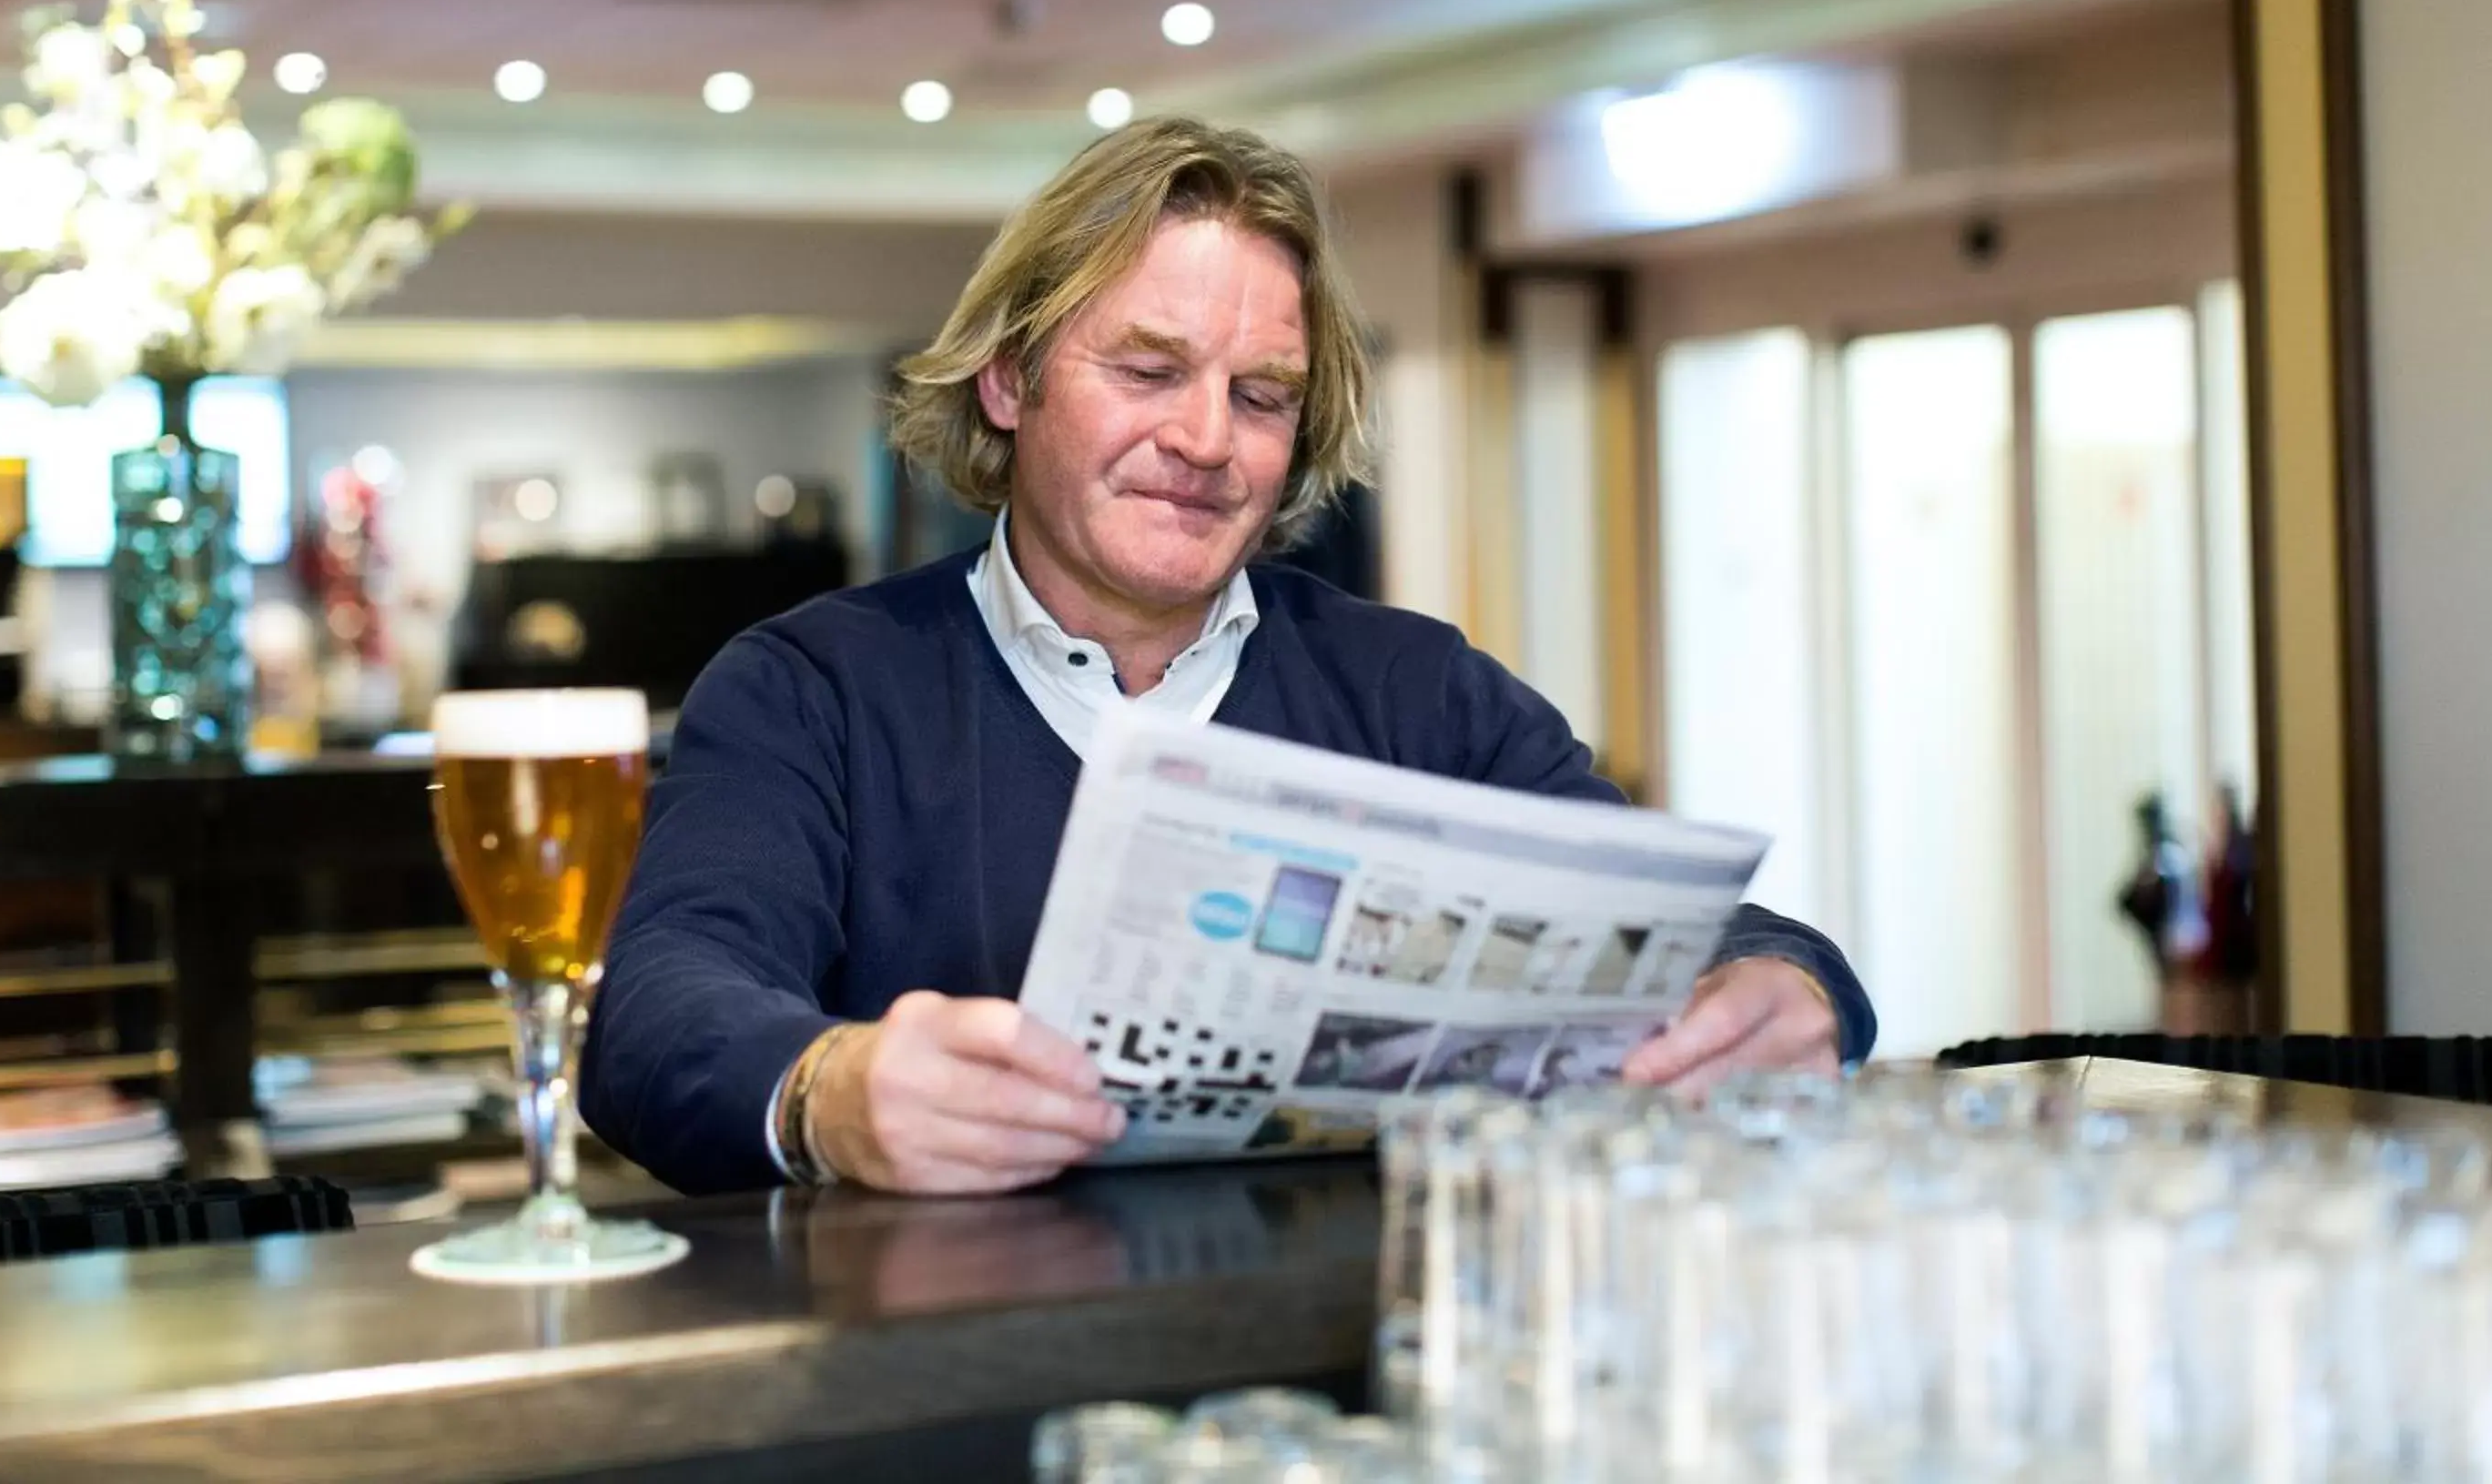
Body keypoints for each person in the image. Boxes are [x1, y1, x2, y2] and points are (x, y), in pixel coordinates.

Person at [582, 117, 1876, 1197]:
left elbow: (1673, 926)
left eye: (1261, 396)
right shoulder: (813, 689)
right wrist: (827, 1089)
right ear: (1008, 380)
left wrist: (1785, 983)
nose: (1207, 439)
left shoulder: (1414, 688)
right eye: (1149, 372)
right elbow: (657, 1014)